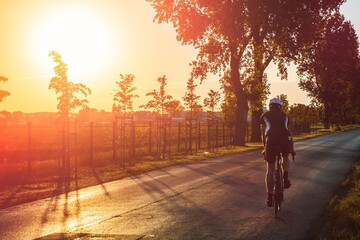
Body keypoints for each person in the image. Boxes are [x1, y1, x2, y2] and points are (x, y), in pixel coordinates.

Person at [260, 98, 294, 207]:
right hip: (284, 139)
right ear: (280, 106)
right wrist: (291, 148)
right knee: (285, 157)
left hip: (271, 140)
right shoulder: (286, 116)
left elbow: (263, 134)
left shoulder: (264, 116)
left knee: (270, 168)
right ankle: (285, 177)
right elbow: (289, 131)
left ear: (270, 106)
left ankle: (269, 197)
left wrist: (265, 147)